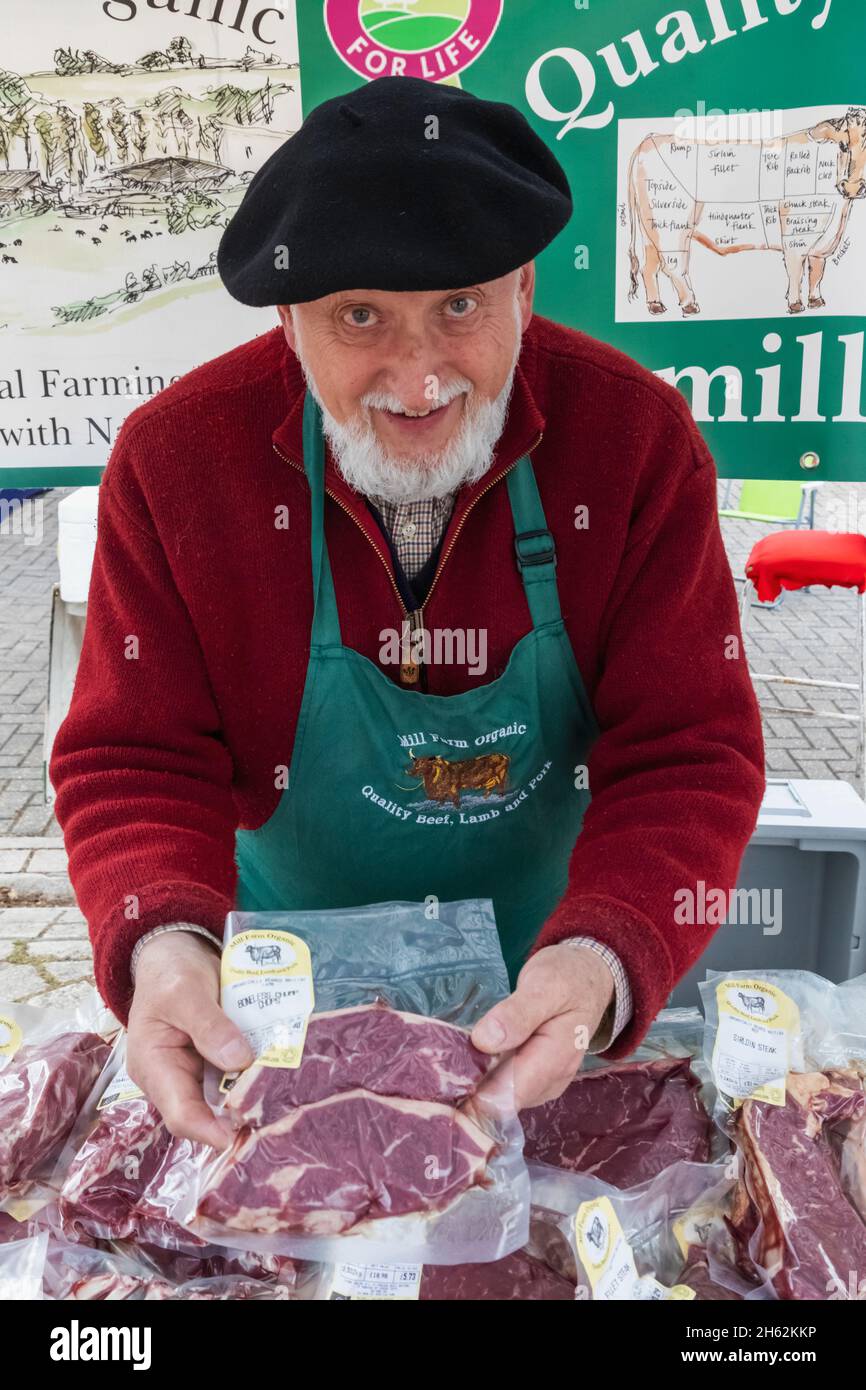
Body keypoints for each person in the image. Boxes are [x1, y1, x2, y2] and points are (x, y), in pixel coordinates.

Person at [51, 77, 764, 1151]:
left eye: (461, 308)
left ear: (525, 287)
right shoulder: (176, 461)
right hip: (277, 994)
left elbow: (690, 747)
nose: (420, 374)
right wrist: (162, 939)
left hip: (547, 976)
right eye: (359, 315)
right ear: (289, 320)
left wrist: (609, 953)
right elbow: (134, 755)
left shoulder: (633, 441)